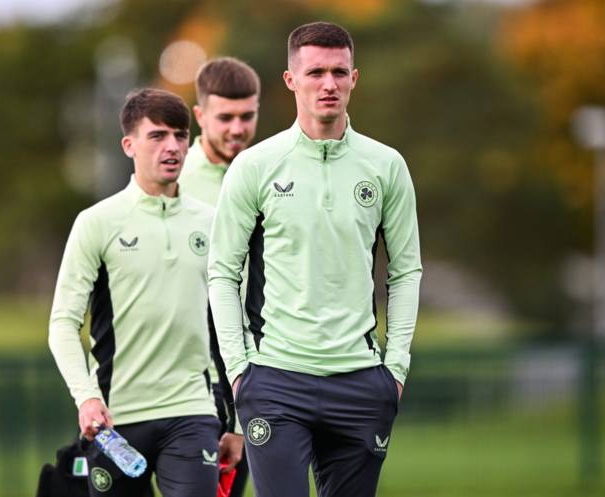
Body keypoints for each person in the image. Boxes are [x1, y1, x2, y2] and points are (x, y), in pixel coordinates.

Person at [208, 21, 422, 497]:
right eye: (316, 73)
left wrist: (396, 369)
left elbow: (406, 270)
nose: (329, 84)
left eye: (339, 72)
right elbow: (222, 272)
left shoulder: (386, 166)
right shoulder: (255, 166)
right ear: (291, 80)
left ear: (354, 79)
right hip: (275, 380)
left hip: (361, 382)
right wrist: (239, 369)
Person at [49, 88, 237, 497]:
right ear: (129, 145)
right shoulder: (96, 223)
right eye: (158, 136)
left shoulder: (215, 223)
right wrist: (86, 398)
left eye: (180, 135)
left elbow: (234, 325)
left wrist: (237, 421)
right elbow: (62, 323)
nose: (172, 146)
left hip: (192, 411)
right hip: (115, 418)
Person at [179, 56, 261, 497]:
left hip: (252, 374)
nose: (237, 129)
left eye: (247, 116)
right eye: (225, 117)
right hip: (189, 380)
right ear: (200, 115)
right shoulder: (176, 183)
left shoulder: (268, 176)